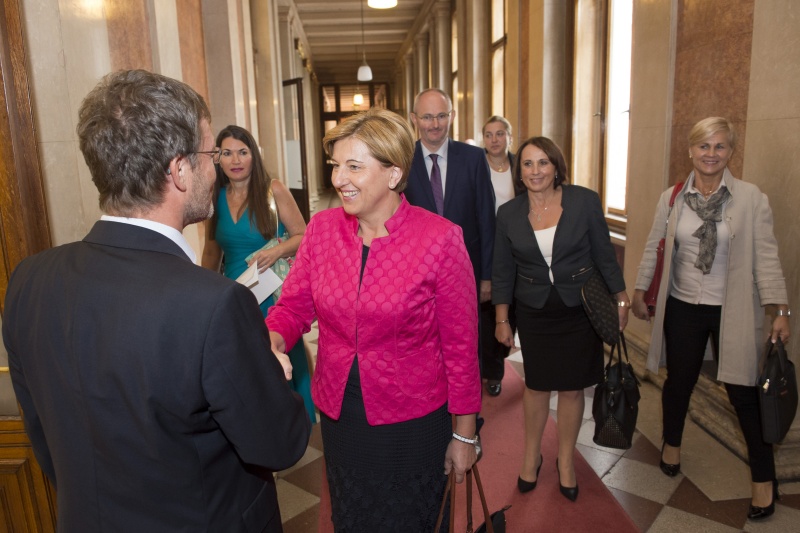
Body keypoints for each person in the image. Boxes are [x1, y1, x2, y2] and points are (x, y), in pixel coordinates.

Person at [2, 70, 311, 532]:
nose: (217, 166)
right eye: (210, 153)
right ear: (180, 169)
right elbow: (281, 444)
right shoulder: (215, 307)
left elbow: (45, 438)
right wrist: (272, 372)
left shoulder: (28, 279)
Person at [267, 108, 481, 531]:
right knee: (352, 518)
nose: (339, 179)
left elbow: (460, 348)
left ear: (393, 173)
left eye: (354, 167)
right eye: (336, 166)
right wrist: (274, 337)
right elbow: (293, 306)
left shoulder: (439, 239)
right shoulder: (322, 230)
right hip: (343, 417)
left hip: (414, 423)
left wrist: (464, 435)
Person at [632, 117, 790, 521]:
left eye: (720, 147)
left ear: (730, 152)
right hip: (683, 304)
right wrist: (639, 290)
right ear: (690, 150)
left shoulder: (751, 199)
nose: (711, 154)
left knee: (744, 394)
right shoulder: (673, 198)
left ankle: (763, 482)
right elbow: (654, 246)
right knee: (679, 382)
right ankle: (672, 445)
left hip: (732, 308)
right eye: (704, 146)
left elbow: (767, 258)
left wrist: (779, 309)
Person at [493, 136, 630, 502]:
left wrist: (621, 298)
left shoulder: (583, 201)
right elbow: (503, 270)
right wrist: (502, 319)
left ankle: (566, 460)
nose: (535, 170)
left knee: (572, 387)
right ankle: (531, 456)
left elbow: (604, 253)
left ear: (556, 166)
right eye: (527, 164)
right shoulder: (508, 214)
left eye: (543, 162)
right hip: (535, 311)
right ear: (519, 171)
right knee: (536, 386)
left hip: (579, 307)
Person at [201, 125, 316, 425]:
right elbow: (211, 252)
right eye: (227, 153)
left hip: (272, 291)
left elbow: (304, 235)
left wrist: (277, 251)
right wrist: (201, 294)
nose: (235, 160)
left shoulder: (273, 189)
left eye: (243, 151)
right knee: (247, 361)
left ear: (253, 155)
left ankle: (297, 420)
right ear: (218, 158)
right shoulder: (214, 196)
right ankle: (262, 425)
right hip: (236, 293)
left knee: (279, 351)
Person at [406, 88, 495, 442]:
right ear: (414, 119)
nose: (434, 124)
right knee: (425, 345)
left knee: (463, 347)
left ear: (452, 117)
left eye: (441, 116)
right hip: (415, 276)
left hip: (465, 273)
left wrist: (486, 275)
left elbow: (487, 219)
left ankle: (467, 422)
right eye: (427, 117)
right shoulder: (402, 158)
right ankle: (432, 411)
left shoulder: (473, 158)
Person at [481, 115, 520, 396]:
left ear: (509, 137)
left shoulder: (522, 166)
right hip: (486, 246)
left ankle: (498, 361)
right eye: (489, 134)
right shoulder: (476, 166)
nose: (494, 140)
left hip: (518, 246)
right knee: (488, 307)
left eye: (500, 134)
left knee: (511, 308)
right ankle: (488, 368)